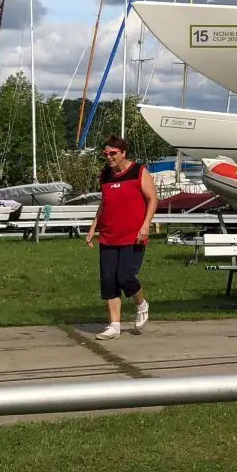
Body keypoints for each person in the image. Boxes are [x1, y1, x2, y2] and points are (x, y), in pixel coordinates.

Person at [85, 136, 158, 339]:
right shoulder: (105, 175)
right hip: (109, 235)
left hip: (133, 235)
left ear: (123, 153)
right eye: (105, 154)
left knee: (125, 277)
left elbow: (152, 198)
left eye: (112, 154)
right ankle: (114, 325)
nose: (108, 157)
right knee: (109, 279)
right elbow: (104, 203)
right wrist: (93, 228)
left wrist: (146, 225)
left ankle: (141, 304)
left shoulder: (138, 171)